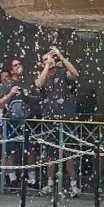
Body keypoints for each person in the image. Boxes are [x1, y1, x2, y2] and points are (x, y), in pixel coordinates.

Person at [35, 46, 80, 197]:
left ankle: (73, 184)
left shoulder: (62, 72)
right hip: (49, 117)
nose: (50, 60)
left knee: (69, 152)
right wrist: (47, 65)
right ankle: (49, 183)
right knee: (50, 153)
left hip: (66, 117)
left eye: (50, 57)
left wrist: (61, 56)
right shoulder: (43, 74)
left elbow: (74, 74)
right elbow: (38, 84)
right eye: (46, 59)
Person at [0, 57, 37, 188]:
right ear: (12, 69)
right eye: (15, 65)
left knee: (30, 150)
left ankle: (32, 179)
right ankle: (12, 178)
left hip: (27, 121)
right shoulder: (7, 84)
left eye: (20, 64)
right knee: (10, 150)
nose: (18, 66)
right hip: (11, 122)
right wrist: (10, 94)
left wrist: (27, 96)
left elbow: (36, 100)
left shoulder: (27, 82)